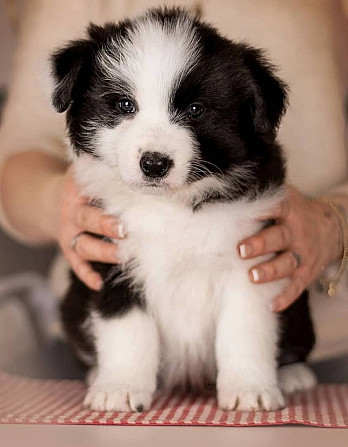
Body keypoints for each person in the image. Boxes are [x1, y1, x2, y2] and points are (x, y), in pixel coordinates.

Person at [0, 0, 347, 360]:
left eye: (195, 111)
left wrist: (335, 222)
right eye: (124, 107)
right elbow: (21, 155)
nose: (153, 150)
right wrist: (56, 199)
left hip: (327, 341)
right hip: (96, 350)